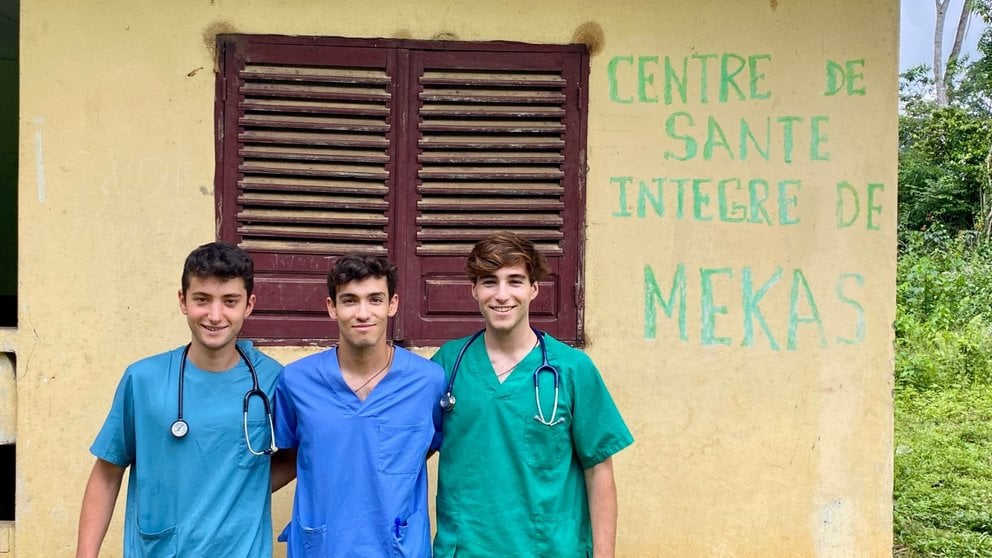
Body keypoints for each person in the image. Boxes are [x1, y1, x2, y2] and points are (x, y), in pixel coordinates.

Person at [432, 232, 634, 557]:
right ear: (474, 290)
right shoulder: (448, 364)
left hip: (550, 549)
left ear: (534, 289)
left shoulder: (572, 368)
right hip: (466, 548)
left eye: (515, 281)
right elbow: (408, 452)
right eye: (489, 282)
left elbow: (599, 470)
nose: (501, 295)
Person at [75, 242, 284, 557]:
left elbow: (298, 453)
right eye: (202, 299)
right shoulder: (143, 379)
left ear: (249, 305)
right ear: (183, 301)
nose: (215, 315)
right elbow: (107, 473)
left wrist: (241, 489)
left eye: (230, 301)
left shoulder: (273, 381)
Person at [272, 254, 445, 557]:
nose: (363, 313)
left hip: (397, 547)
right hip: (322, 546)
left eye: (375, 299)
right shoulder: (297, 381)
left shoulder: (427, 381)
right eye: (350, 300)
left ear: (393, 304)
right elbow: (289, 455)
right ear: (332, 307)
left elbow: (426, 444)